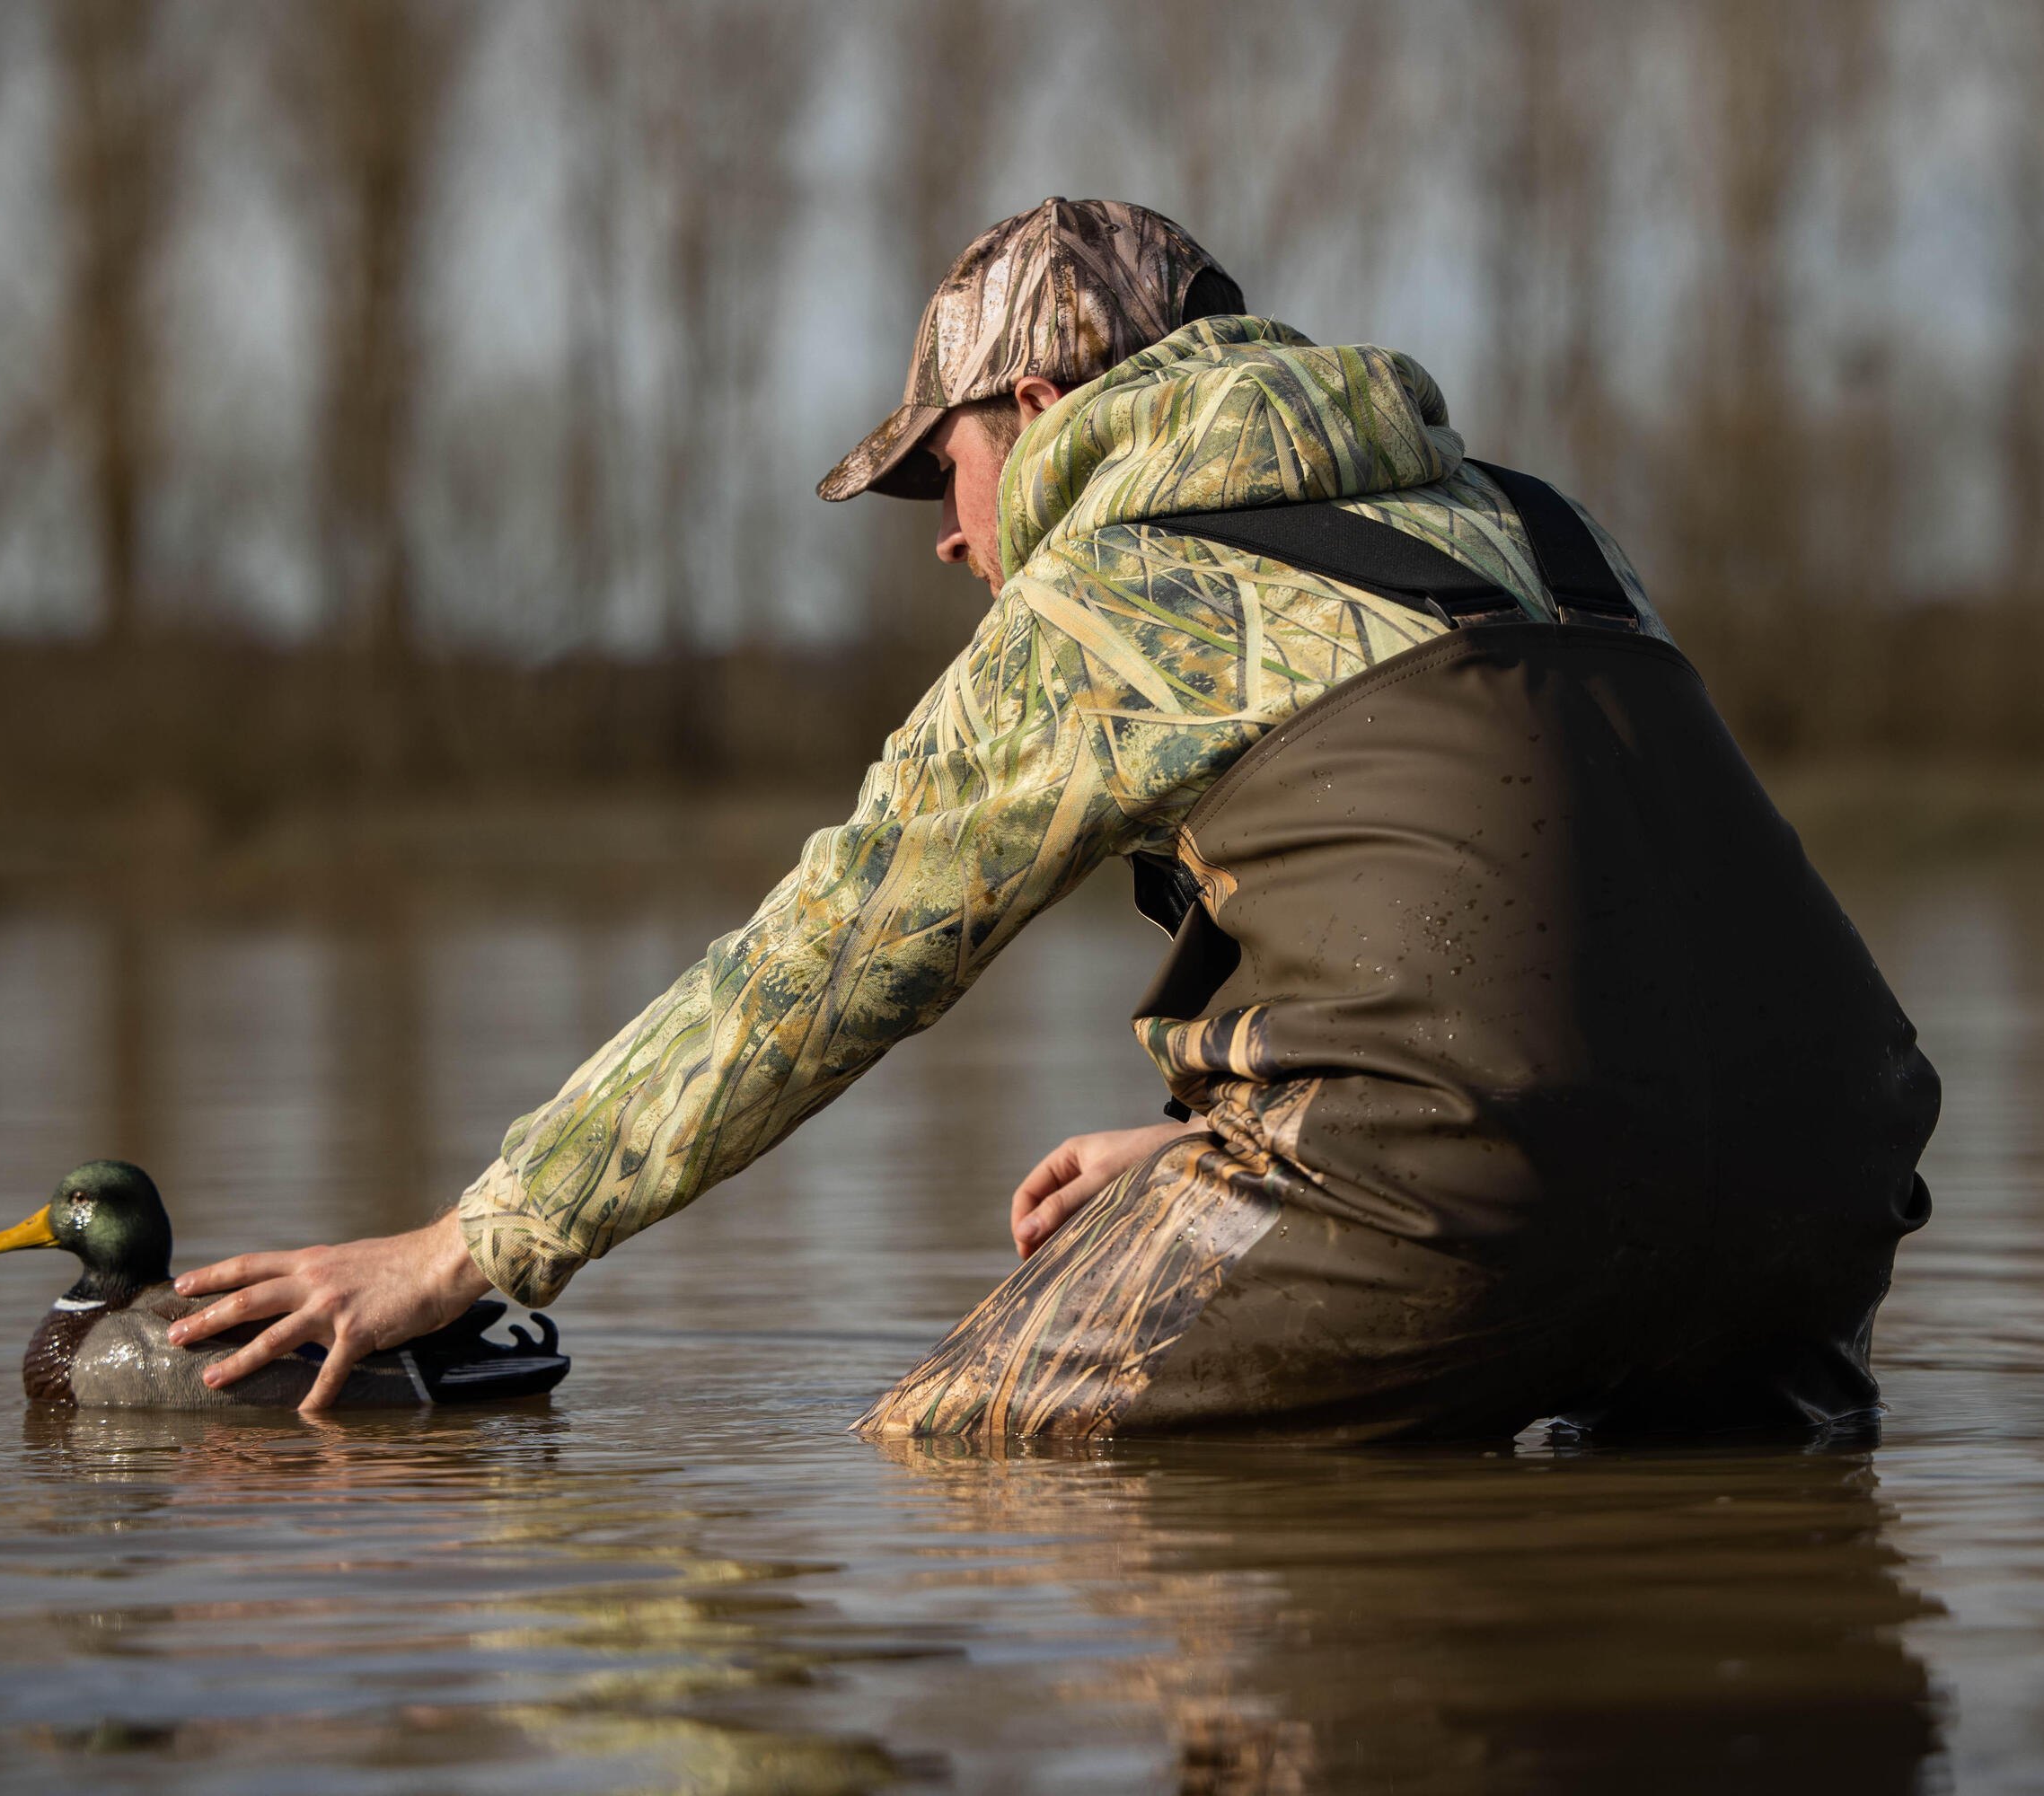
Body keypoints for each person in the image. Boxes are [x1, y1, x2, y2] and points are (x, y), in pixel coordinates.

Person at [170, 198, 1939, 1439]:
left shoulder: (1112, 593)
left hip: (1461, 1189)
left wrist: (469, 1245)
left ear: (1034, 409)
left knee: (963, 1464)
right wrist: (1215, 1144)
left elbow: (823, 961)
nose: (947, 534)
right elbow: (1612, 944)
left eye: (938, 470)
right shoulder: (1539, 520)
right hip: (1821, 1194)